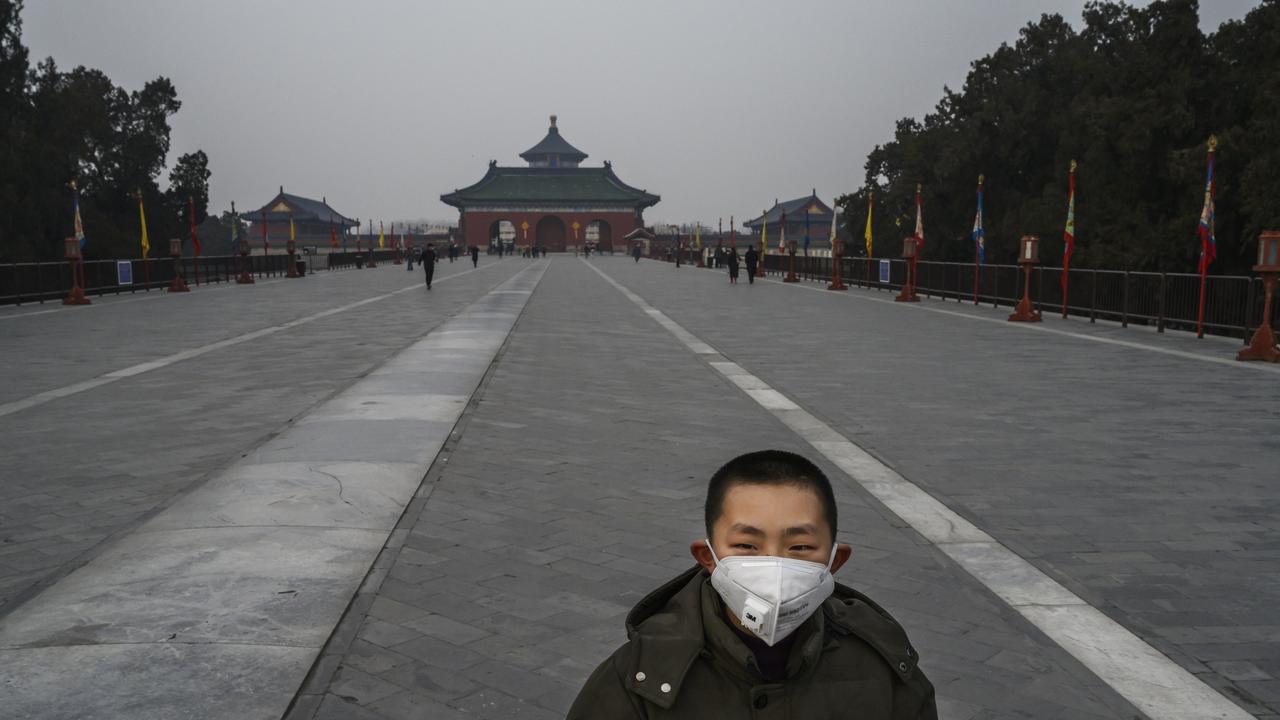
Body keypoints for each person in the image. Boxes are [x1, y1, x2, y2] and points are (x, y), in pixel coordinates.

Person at [567, 450, 937, 719]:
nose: (774, 565)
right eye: (747, 546)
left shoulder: (883, 666)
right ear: (708, 557)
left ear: (834, 561)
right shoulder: (641, 676)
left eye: (801, 547)